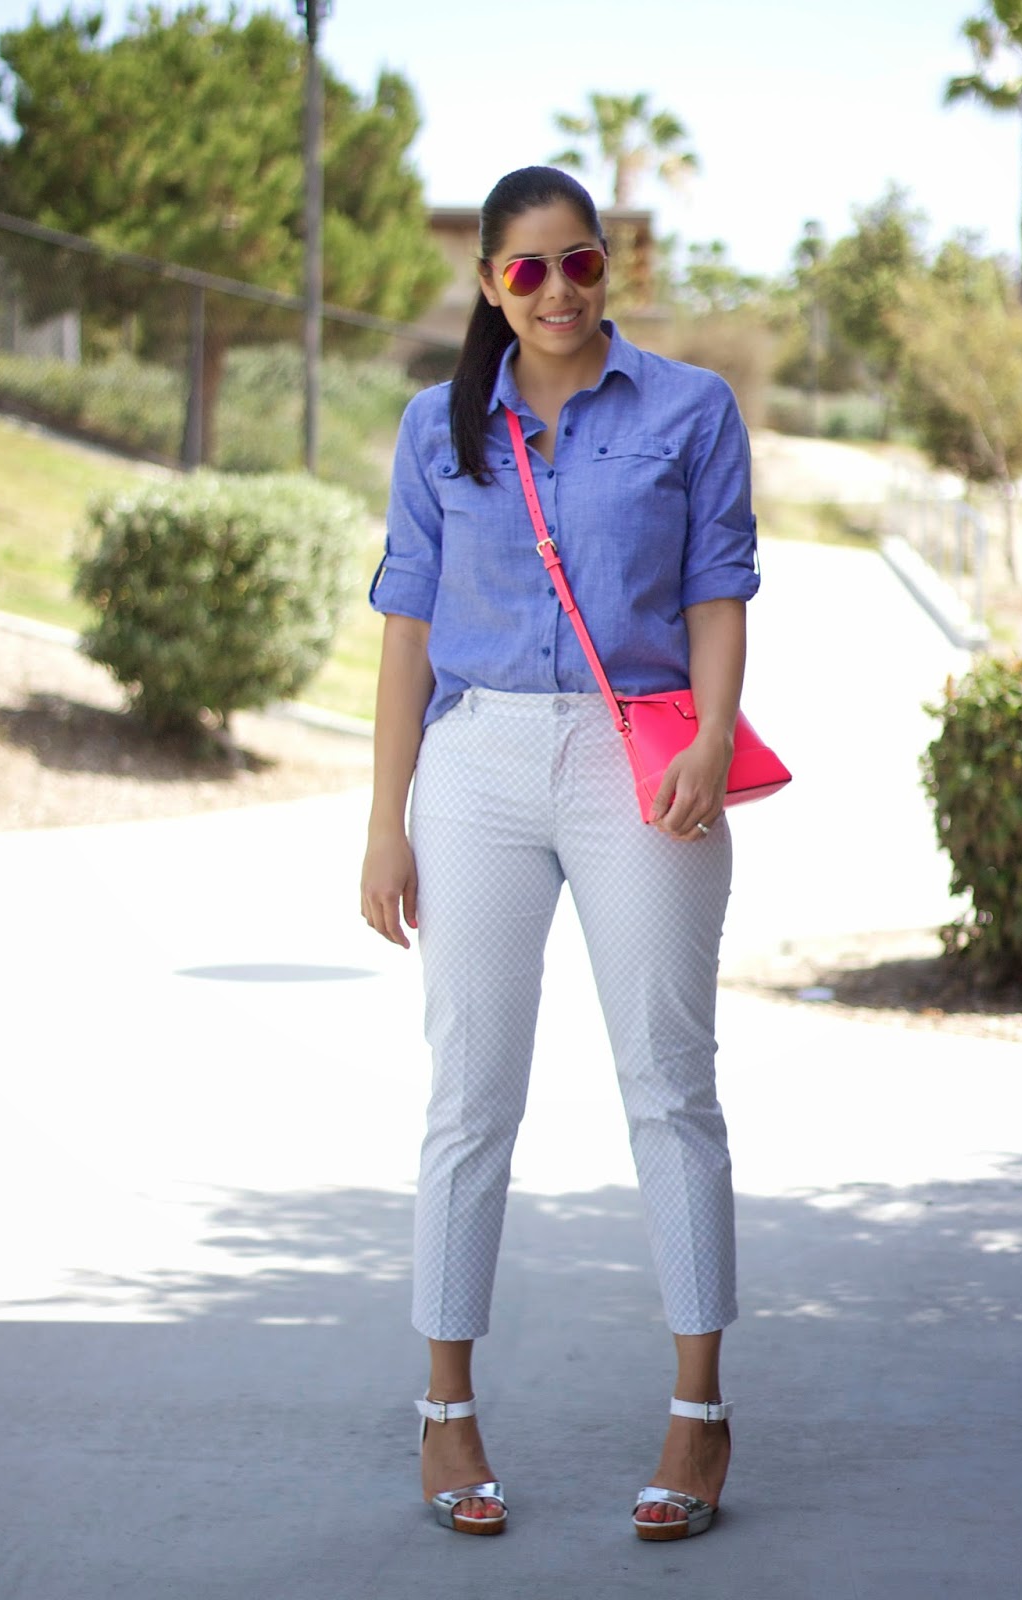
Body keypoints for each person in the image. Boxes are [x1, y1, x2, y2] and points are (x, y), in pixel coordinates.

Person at [360, 165, 759, 1542]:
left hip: (631, 760)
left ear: (608, 269)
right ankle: (444, 1411)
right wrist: (384, 820)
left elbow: (715, 586)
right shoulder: (436, 427)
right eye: (524, 271)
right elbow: (407, 628)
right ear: (488, 284)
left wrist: (708, 739)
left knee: (667, 1084)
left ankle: (697, 1418)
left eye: (576, 263)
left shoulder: (688, 410)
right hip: (473, 765)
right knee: (468, 1096)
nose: (555, 291)